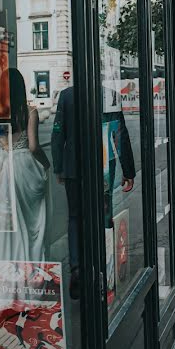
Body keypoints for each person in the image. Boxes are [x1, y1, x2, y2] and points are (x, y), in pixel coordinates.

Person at [51, 85, 135, 299]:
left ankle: (77, 268)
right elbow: (121, 135)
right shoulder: (110, 95)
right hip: (103, 169)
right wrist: (129, 170)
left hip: (73, 168)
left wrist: (59, 167)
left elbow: (58, 132)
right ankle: (103, 266)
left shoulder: (67, 95)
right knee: (103, 216)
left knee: (74, 218)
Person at [0, 69, 50, 262]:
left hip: (1, 164)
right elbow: (33, 147)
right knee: (28, 219)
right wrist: (46, 163)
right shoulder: (29, 111)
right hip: (23, 165)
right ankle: (28, 263)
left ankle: (3, 262)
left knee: (2, 216)